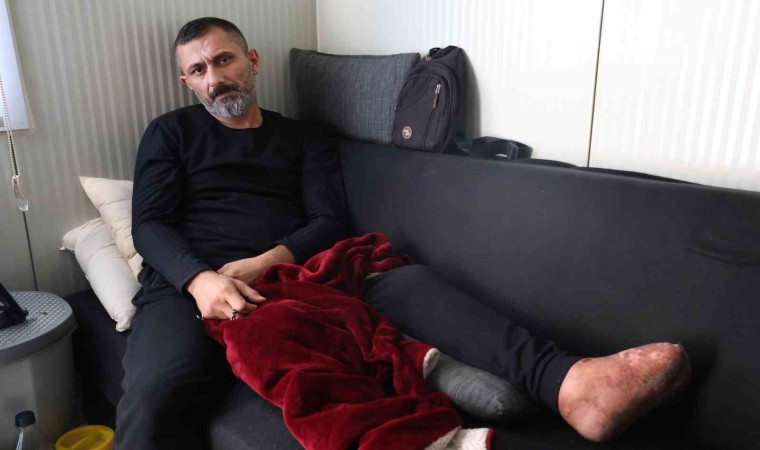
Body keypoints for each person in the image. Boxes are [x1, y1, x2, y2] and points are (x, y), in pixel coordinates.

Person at [116, 17, 691, 450]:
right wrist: (200, 280)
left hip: (297, 271)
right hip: (188, 285)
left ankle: (567, 381)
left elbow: (329, 222)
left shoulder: (303, 138)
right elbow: (150, 223)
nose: (215, 79)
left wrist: (269, 261)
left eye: (223, 60)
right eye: (198, 70)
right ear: (187, 82)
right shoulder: (170, 133)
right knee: (156, 391)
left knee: (408, 282)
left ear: (252, 60)